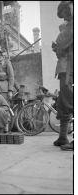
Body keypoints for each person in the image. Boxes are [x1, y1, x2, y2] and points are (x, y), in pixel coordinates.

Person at [52, 1, 73, 150]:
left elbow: (62, 43)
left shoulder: (72, 27)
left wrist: (58, 46)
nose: (64, 19)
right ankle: (63, 137)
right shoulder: (69, 26)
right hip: (64, 69)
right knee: (64, 103)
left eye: (65, 14)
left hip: (69, 69)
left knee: (70, 101)